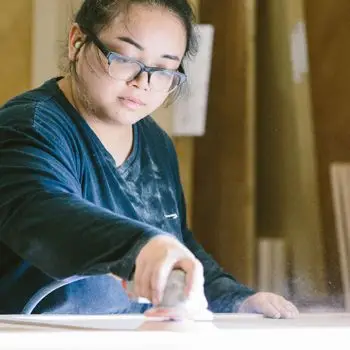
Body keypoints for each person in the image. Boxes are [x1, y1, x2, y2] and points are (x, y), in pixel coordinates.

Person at [0, 0, 298, 318]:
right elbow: (46, 214)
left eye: (164, 70)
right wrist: (141, 247)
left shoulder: (155, 143)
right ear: (77, 42)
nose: (143, 82)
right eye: (127, 59)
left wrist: (236, 300)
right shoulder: (28, 127)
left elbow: (176, 244)